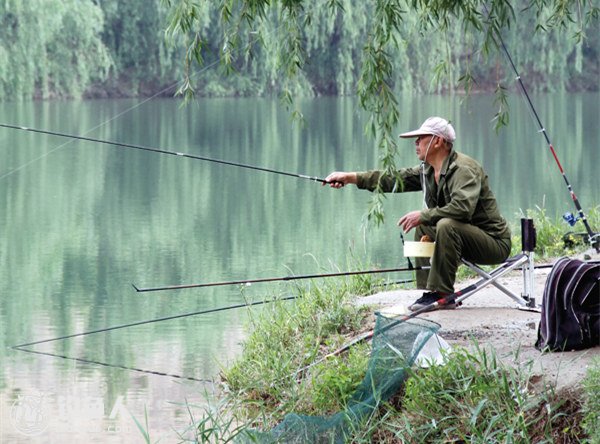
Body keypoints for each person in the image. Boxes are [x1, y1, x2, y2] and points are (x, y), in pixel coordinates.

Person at [324, 116, 511, 312]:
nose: (416, 143)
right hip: (465, 237)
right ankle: (429, 289)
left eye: (421, 138)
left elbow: (462, 209)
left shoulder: (464, 169)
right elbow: (393, 179)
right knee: (425, 225)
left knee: (444, 225)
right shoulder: (428, 170)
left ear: (437, 141)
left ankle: (442, 294)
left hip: (493, 243)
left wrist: (423, 214)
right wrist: (350, 178)